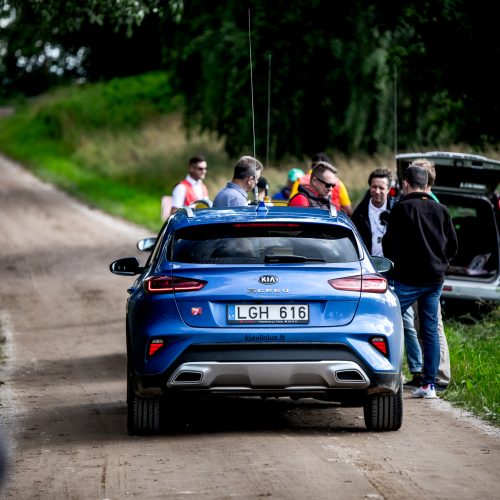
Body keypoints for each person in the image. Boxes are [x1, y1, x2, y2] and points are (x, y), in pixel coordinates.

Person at [382, 165, 458, 399]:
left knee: (387, 319)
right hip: (434, 280)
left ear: (405, 183)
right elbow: (453, 246)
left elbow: (389, 247)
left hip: (408, 280)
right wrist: (441, 262)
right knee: (430, 330)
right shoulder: (441, 209)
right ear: (426, 185)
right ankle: (429, 385)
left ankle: (386, 374)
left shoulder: (401, 209)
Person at [351, 168, 422, 381]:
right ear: (369, 187)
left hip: (395, 272)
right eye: (374, 187)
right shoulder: (360, 213)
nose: (377, 191)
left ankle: (417, 369)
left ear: (389, 189)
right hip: (371, 273)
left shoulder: (399, 209)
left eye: (382, 187)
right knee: (371, 321)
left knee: (406, 320)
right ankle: (379, 367)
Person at [407, 158, 452, 390]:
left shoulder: (429, 203)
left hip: (423, 277)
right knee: (425, 325)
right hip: (430, 275)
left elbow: (446, 244)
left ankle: (439, 375)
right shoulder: (430, 202)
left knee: (433, 327)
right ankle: (429, 374)